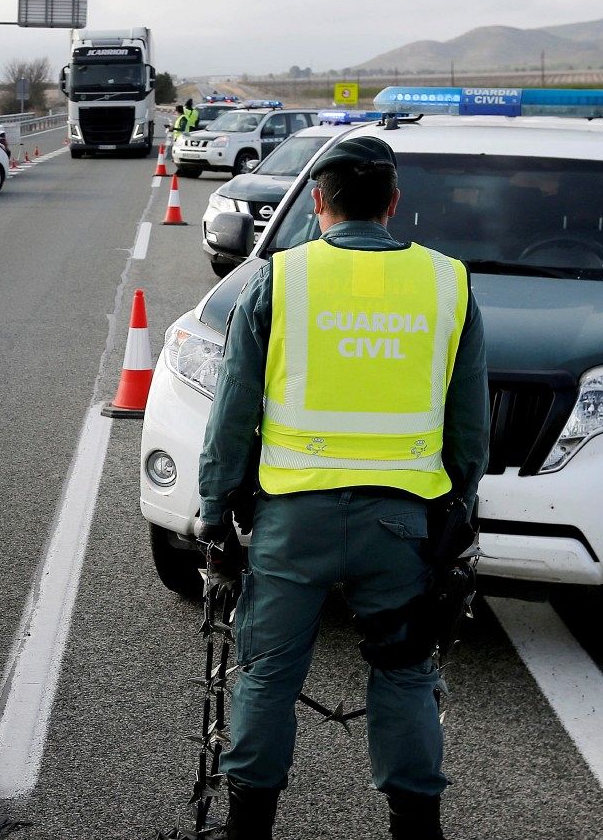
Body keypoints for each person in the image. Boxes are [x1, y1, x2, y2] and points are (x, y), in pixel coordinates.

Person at [193, 135, 488, 839]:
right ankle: (416, 829)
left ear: (317, 201)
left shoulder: (279, 278)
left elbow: (234, 409)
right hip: (400, 526)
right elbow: (470, 424)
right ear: (393, 204)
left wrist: (213, 508)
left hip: (294, 522)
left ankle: (248, 828)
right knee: (406, 675)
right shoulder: (449, 282)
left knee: (266, 675)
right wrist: (459, 509)